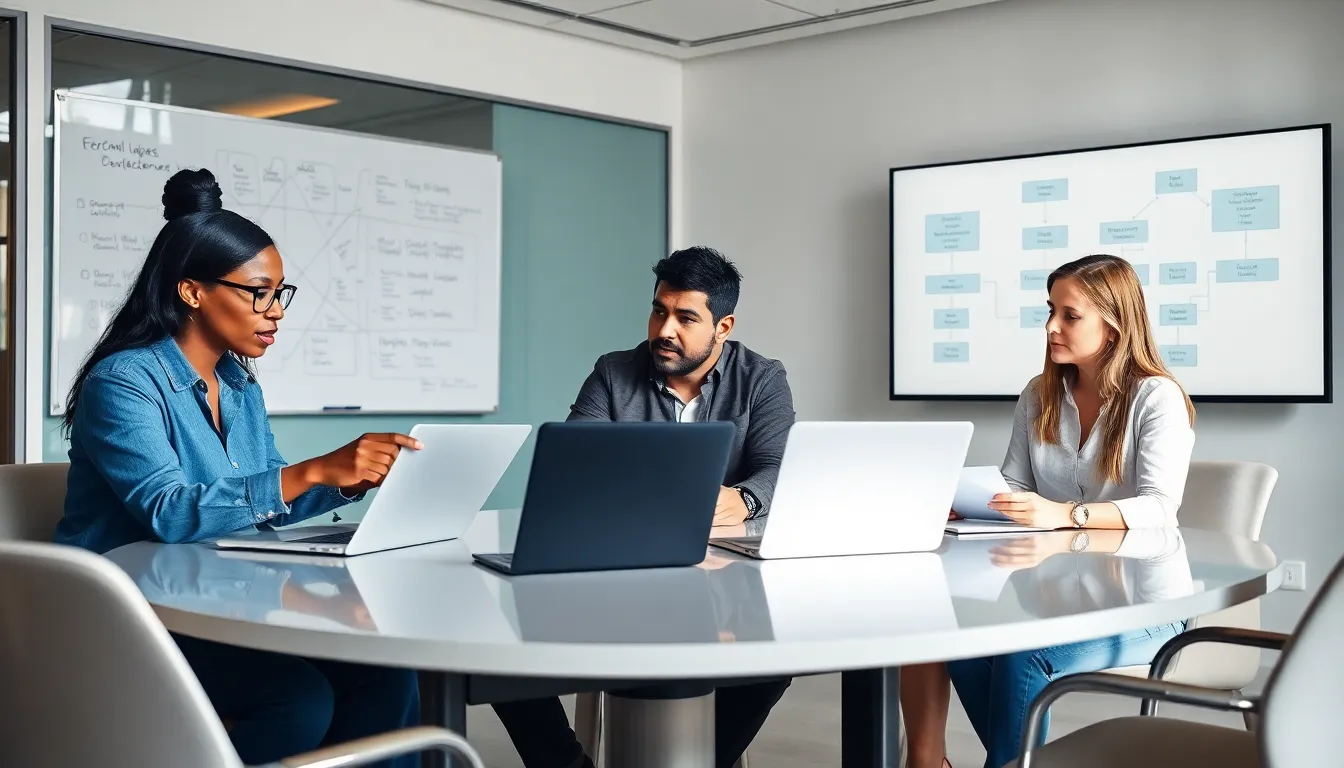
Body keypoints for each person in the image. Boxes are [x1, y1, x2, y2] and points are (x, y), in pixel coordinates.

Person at [54, 168, 423, 768]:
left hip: (215, 599)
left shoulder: (238, 382)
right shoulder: (123, 382)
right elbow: (170, 512)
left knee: (385, 674)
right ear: (192, 291)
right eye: (257, 292)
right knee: (296, 701)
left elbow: (261, 496)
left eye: (280, 292)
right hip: (129, 616)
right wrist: (312, 470)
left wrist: (344, 479)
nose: (274, 310)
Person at [491, 246, 797, 768]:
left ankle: (703, 758)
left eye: (685, 317)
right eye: (659, 310)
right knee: (495, 648)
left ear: (723, 325)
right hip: (617, 576)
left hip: (724, 581)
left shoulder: (762, 378)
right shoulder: (614, 373)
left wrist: (743, 498)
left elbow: (778, 467)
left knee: (778, 655)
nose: (665, 329)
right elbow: (574, 463)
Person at [901, 253, 1196, 768]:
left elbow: (1160, 508)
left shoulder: (1156, 398)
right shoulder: (1039, 394)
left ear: (1115, 323)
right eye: (1050, 310)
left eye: (1070, 315)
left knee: (1024, 653)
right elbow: (1015, 482)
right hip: (1056, 598)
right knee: (955, 635)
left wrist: (1065, 513)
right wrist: (964, 499)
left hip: (1148, 607)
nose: (1051, 326)